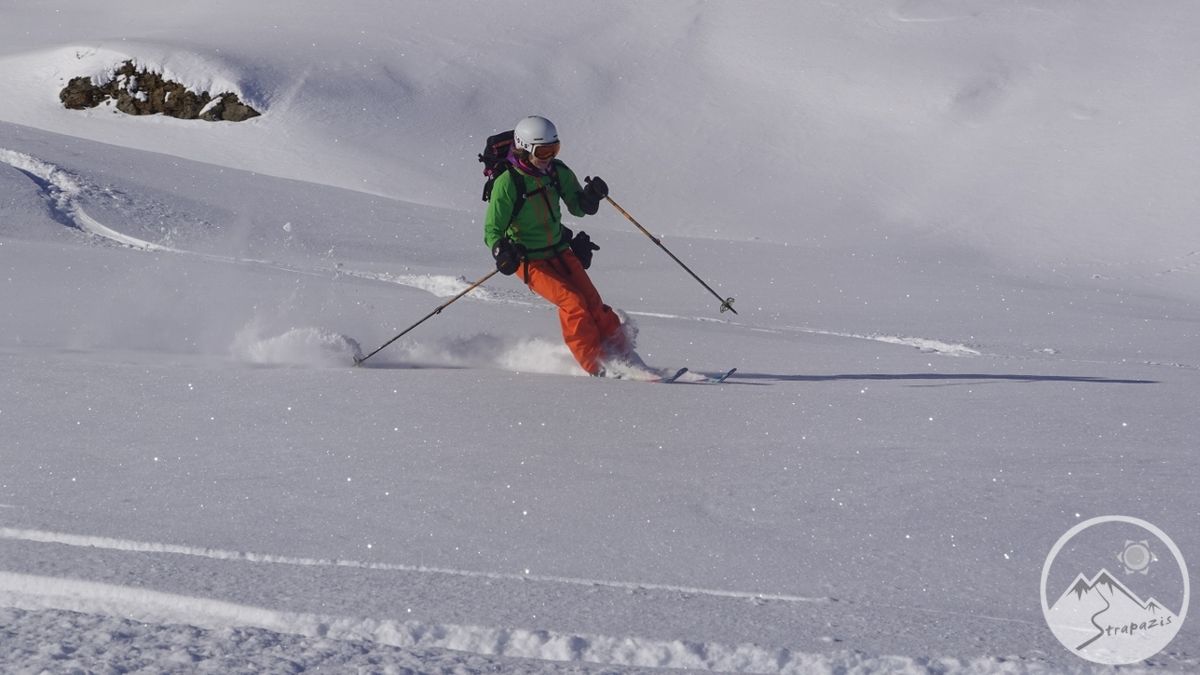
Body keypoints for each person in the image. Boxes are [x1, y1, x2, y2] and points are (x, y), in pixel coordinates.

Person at [484, 115, 628, 376]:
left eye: (554, 149)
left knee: (593, 302)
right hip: (528, 259)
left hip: (560, 250)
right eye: (543, 151)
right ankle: (596, 366)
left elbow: (578, 207)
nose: (549, 157)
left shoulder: (556, 172)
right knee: (573, 304)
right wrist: (501, 251)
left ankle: (623, 354)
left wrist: (591, 198)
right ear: (524, 149)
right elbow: (492, 230)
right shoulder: (508, 183)